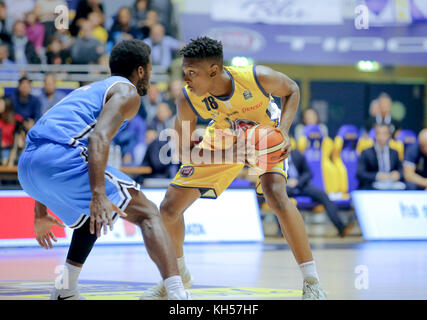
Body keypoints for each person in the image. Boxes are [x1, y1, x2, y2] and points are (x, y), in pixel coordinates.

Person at [141, 37, 327, 300]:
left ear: (213, 71)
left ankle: (312, 281)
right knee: (169, 207)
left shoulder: (256, 77)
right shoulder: (187, 99)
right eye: (185, 73)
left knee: (276, 196)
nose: (186, 80)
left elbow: (292, 89)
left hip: (264, 134)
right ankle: (178, 273)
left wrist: (283, 130)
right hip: (224, 138)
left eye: (192, 73)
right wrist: (231, 153)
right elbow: (183, 151)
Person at [17, 39, 190, 300]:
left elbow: (44, 141)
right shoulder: (127, 92)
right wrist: (99, 193)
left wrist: (40, 208)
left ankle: (65, 289)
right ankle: (178, 295)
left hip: (28, 167)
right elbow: (99, 138)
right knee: (147, 212)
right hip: (60, 158)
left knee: (91, 218)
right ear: (141, 71)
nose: (150, 77)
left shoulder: (89, 90)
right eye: (151, 70)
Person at [286, 148, 353, 237]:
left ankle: (341, 227)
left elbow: (308, 173)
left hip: (301, 185)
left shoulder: (296, 154)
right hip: (284, 187)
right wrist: (286, 182)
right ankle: (283, 232)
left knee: (323, 195)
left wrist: (297, 181)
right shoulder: (274, 156)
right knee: (276, 197)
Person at [356, 123, 405, 190]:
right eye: (378, 133)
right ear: (375, 135)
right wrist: (377, 176)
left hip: (391, 185)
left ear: (389, 135)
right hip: (372, 186)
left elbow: (401, 170)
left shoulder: (394, 152)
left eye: (384, 134)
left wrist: (398, 174)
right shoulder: (366, 152)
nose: (381, 137)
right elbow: (360, 173)